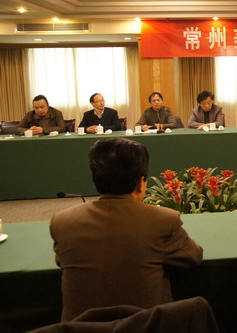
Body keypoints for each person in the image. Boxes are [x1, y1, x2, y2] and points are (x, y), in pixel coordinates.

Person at [49, 137, 203, 321]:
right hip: (145, 325)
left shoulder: (61, 222)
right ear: (141, 182)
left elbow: (61, 260)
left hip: (79, 327)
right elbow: (193, 257)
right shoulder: (163, 220)